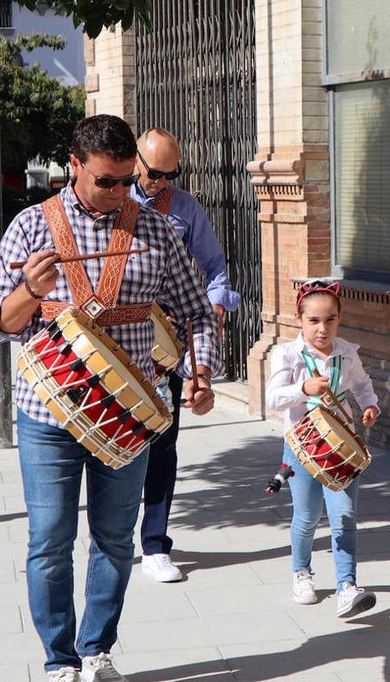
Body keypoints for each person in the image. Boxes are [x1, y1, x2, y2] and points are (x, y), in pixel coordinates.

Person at [0, 114, 220, 682]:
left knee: (114, 538)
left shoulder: (156, 231)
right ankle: (59, 661)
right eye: (107, 181)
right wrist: (31, 290)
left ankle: (96, 651)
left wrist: (200, 370)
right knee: (50, 541)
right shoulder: (31, 226)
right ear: (74, 167)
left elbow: (195, 309)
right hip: (48, 414)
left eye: (128, 180)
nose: (120, 193)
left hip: (129, 416)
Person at [130, 127, 241, 583]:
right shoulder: (113, 199)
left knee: (163, 443)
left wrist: (216, 303)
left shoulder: (184, 209)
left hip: (166, 344)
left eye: (168, 174)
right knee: (117, 442)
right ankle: (112, 538)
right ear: (136, 160)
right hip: (118, 336)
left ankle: (155, 544)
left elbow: (216, 267)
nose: (158, 181)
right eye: (153, 172)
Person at [265, 279, 380, 619]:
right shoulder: (287, 354)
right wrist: (303, 387)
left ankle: (348, 585)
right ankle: (302, 572)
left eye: (330, 320)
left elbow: (361, 384)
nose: (322, 328)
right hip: (301, 447)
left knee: (344, 515)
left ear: (339, 319)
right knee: (307, 516)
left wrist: (370, 405)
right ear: (299, 319)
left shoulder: (347, 352)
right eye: (314, 320)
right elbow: (273, 398)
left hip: (341, 444)